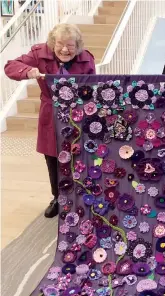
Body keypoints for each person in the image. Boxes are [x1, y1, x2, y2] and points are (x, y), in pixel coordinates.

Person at [4, 23, 96, 218]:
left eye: (70, 45)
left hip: (77, 114)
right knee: (52, 158)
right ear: (53, 43)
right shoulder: (39, 53)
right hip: (51, 112)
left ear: (77, 45)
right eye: (60, 44)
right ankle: (57, 197)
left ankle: (79, 197)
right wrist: (27, 71)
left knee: (78, 156)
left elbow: (93, 89)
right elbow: (10, 66)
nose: (65, 49)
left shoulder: (86, 59)